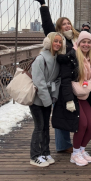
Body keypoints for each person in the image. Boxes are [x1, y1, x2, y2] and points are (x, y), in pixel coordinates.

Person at [31, 0, 79, 155]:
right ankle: (63, 144)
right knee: (60, 112)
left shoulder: (77, 39)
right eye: (63, 24)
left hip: (76, 81)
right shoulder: (57, 39)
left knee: (73, 111)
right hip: (60, 83)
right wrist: (43, 6)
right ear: (59, 27)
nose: (67, 26)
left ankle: (77, 142)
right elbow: (47, 25)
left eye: (69, 23)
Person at [53, 31, 91, 166]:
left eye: (89, 42)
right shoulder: (71, 57)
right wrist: (69, 100)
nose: (86, 45)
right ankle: (75, 154)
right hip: (73, 96)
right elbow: (65, 80)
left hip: (85, 96)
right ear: (79, 43)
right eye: (83, 42)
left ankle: (81, 150)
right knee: (82, 124)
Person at [29, 32, 63, 167]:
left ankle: (45, 152)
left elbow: (57, 80)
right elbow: (39, 82)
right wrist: (48, 100)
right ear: (48, 42)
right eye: (55, 41)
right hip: (37, 99)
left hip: (48, 97)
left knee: (45, 127)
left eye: (60, 42)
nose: (58, 44)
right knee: (39, 127)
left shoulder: (57, 59)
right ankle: (34, 156)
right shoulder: (40, 59)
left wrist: (54, 95)